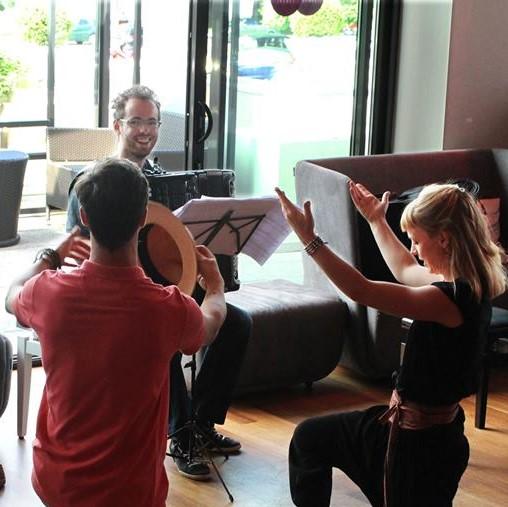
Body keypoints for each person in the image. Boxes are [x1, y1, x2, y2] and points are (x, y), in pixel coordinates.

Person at [5, 158, 227, 506]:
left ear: (84, 218)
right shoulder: (166, 307)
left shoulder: (48, 292)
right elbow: (210, 325)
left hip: (58, 483)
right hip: (132, 491)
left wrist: (50, 255)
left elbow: (10, 294)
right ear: (143, 219)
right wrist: (215, 288)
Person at [275, 181, 506, 507]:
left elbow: (362, 291)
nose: (413, 248)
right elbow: (405, 268)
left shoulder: (448, 299)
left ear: (444, 239)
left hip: (418, 447)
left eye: (416, 240)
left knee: (311, 439)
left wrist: (309, 240)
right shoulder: (471, 281)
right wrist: (375, 220)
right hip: (421, 432)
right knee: (310, 439)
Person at [66, 85, 251, 480]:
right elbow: (78, 246)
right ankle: (180, 435)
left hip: (165, 287)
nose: (145, 130)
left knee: (237, 323)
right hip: (115, 296)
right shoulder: (94, 181)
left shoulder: (164, 180)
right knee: (159, 327)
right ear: (118, 125)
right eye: (136, 121)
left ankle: (201, 423)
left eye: (152, 122)